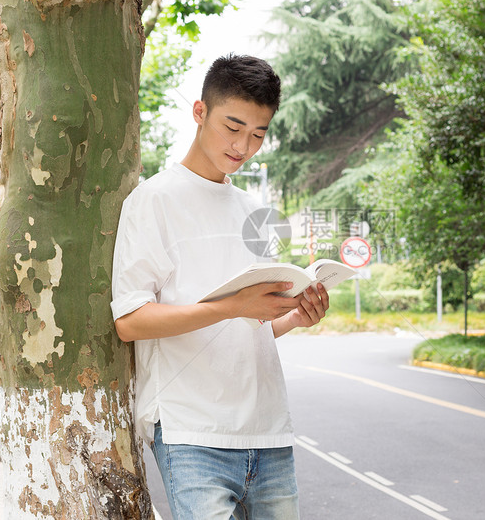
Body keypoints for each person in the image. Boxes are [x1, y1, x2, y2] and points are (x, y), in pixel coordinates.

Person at [110, 54, 329, 519]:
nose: (243, 145)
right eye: (233, 126)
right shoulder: (152, 200)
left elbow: (252, 324)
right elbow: (130, 321)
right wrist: (232, 306)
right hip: (193, 433)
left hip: (268, 430)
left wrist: (295, 314)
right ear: (199, 111)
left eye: (258, 133)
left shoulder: (253, 210)